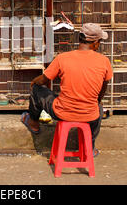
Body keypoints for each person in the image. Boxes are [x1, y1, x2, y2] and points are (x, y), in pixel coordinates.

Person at [21, 23, 113, 157]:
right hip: (89, 115)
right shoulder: (104, 61)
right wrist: (93, 102)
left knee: (37, 89)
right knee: (98, 107)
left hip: (63, 113)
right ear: (95, 43)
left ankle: (33, 123)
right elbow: (103, 90)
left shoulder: (63, 58)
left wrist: (35, 81)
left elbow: (43, 80)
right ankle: (90, 148)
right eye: (99, 42)